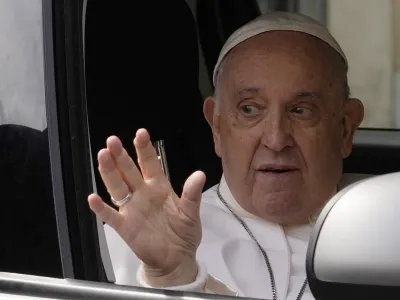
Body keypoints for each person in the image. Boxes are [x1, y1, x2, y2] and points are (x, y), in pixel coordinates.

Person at [88, 11, 365, 300]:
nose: (276, 139)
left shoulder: (387, 229)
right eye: (249, 109)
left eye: (301, 110)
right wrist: (174, 278)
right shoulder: (136, 242)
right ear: (216, 127)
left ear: (345, 128)